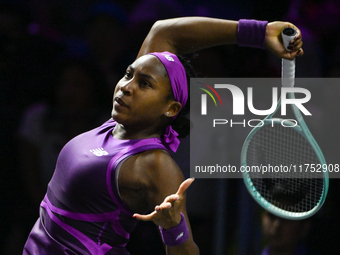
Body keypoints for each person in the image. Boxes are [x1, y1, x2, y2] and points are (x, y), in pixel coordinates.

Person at [23, 17, 303, 255]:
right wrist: (259, 32)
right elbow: (163, 31)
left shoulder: (153, 164)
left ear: (170, 108)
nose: (126, 87)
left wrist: (173, 227)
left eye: (145, 84)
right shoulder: (116, 123)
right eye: (128, 74)